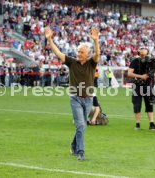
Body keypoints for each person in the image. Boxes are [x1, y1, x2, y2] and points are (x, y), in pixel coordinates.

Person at [44, 27, 100, 161]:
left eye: (82, 52)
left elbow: (97, 54)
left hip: (88, 100)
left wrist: (96, 41)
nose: (79, 53)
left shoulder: (91, 63)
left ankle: (73, 145)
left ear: (87, 54)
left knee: (82, 125)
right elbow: (58, 53)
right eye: (78, 51)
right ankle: (80, 152)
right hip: (75, 99)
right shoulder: (72, 62)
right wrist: (49, 40)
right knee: (80, 125)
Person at [127, 48, 155, 131]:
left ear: (148, 54)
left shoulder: (152, 61)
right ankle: (137, 124)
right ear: (139, 54)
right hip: (137, 85)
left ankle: (151, 123)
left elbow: (154, 71)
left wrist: (152, 78)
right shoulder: (135, 61)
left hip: (148, 84)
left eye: (145, 54)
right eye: (141, 54)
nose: (143, 56)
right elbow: (129, 73)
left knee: (150, 103)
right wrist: (141, 76)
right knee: (137, 104)